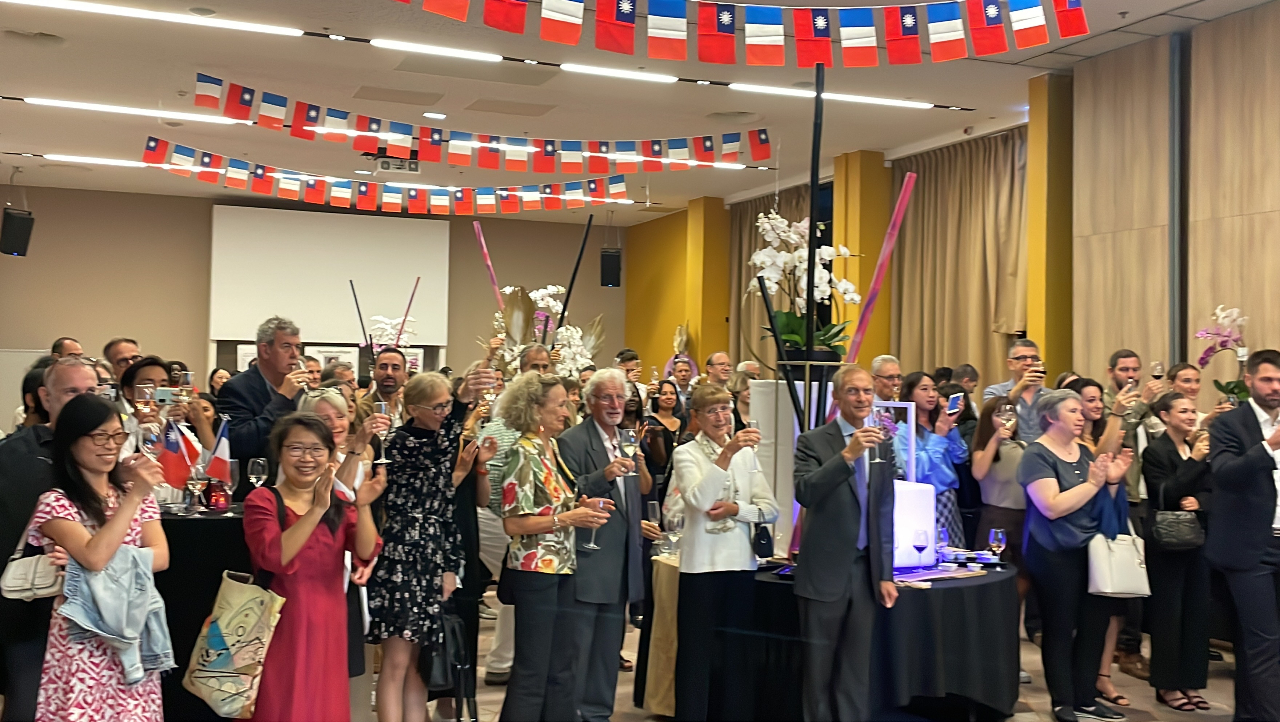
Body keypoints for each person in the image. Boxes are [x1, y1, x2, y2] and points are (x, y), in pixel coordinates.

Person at [29, 393, 171, 722]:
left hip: (131, 627)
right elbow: (95, 558)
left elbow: (161, 556)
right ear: (71, 440)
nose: (110, 445)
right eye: (99, 436)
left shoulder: (134, 494)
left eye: (117, 436)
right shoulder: (56, 503)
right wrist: (134, 497)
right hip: (83, 633)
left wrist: (83, 564)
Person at [244, 413, 385, 722]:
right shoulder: (262, 500)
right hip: (281, 624)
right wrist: (318, 508)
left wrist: (362, 505)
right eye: (296, 448)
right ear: (279, 453)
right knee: (281, 706)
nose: (306, 458)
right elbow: (275, 556)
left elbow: (365, 549)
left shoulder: (338, 500)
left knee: (324, 706)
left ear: (330, 455)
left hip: (329, 622)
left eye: (317, 449)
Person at [367, 370, 482, 722]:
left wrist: (450, 566)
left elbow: (446, 509)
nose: (444, 413)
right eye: (438, 407)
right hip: (402, 555)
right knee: (397, 661)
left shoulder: (439, 443)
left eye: (447, 405)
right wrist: (462, 402)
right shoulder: (399, 443)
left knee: (421, 662)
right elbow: (443, 444)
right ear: (414, 409)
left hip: (431, 555)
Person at [497, 372, 611, 722]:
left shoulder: (553, 449)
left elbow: (557, 503)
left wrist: (583, 506)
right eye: (560, 404)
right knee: (533, 668)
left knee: (562, 665)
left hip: (564, 565)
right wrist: (568, 518)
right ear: (535, 409)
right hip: (535, 571)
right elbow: (514, 524)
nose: (567, 411)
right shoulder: (522, 452)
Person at [1019, 389, 1133, 722]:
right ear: (1050, 416)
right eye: (1073, 411)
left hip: (1090, 547)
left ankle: (1086, 698)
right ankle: (1062, 701)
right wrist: (1095, 484)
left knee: (1094, 625)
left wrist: (1112, 482)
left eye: (1081, 411)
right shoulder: (1035, 454)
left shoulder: (1083, 450)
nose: (1082, 415)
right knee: (1060, 626)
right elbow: (1051, 506)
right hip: (1053, 550)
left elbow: (1098, 501)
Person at [793, 365, 897, 721]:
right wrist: (847, 456)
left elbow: (884, 512)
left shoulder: (882, 441)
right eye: (853, 391)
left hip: (865, 573)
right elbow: (805, 492)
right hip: (824, 573)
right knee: (818, 672)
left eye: (867, 391)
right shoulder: (813, 441)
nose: (862, 398)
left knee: (856, 673)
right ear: (837, 397)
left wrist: (885, 574)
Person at [670, 384, 779, 721]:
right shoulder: (686, 453)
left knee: (736, 654)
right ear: (697, 417)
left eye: (725, 409)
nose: (721, 417)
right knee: (696, 654)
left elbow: (770, 509)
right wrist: (726, 454)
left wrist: (736, 509)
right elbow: (700, 501)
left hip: (740, 564)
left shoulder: (747, 455)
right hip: (701, 567)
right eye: (712, 411)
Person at [0, 358, 100, 720]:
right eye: (71, 391)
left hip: (96, 610)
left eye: (90, 391)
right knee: (29, 704)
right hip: (32, 608)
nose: (82, 400)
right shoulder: (14, 455)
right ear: (45, 397)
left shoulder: (110, 452)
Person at [557, 368, 653, 722]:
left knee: (608, 648)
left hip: (623, 558)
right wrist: (605, 474)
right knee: (578, 648)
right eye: (606, 397)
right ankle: (570, 713)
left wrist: (640, 464)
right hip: (590, 557)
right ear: (590, 402)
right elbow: (567, 493)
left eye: (620, 397)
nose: (615, 404)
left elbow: (639, 492)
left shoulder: (627, 438)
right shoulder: (572, 440)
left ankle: (598, 713)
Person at [1205, 349, 1280, 720]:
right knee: (1265, 644)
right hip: (1251, 549)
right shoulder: (1229, 424)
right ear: (1249, 380)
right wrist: (1270, 446)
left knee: (1257, 646)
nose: (1276, 387)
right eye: (1267, 379)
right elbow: (1225, 473)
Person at [477, 345, 552, 686]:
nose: (540, 372)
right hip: (494, 517)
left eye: (545, 366)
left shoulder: (540, 427)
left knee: (516, 587)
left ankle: (503, 662)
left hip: (520, 519)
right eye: (535, 366)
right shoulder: (504, 427)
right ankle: (509, 661)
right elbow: (493, 484)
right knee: (519, 583)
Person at [1139, 392, 1212, 712]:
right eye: (1183, 411)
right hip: (1167, 542)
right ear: (1165, 416)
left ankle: (1191, 681)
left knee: (1197, 612)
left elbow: (1214, 489)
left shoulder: (1202, 449)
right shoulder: (1156, 451)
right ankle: (1166, 684)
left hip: (1198, 538)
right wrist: (1194, 461)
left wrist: (1202, 501)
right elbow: (1164, 493)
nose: (1191, 416)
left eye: (1193, 410)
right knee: (1168, 614)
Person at [1100, 349, 1162, 680]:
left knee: (1147, 572)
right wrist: (1142, 404)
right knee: (1131, 573)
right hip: (1124, 495)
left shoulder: (1142, 403)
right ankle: (1128, 648)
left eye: (1136, 369)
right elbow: (1116, 434)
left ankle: (1129, 644)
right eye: (1124, 369)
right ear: (1111, 371)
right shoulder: (1108, 403)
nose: (1131, 375)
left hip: (1149, 494)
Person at [971, 396, 1032, 683]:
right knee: (994, 596)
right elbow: (978, 472)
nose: (1007, 419)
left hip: (1025, 522)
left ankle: (1012, 660)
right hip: (996, 522)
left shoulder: (1024, 448)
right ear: (988, 419)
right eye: (999, 414)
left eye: (1011, 413)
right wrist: (996, 437)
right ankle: (988, 660)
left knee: (1017, 597)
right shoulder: (983, 450)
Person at [221, 317, 309, 498]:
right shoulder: (236, 388)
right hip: (255, 493)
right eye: (286, 346)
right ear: (265, 350)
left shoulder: (300, 390)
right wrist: (282, 399)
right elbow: (239, 443)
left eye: (297, 347)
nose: (295, 354)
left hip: (297, 492)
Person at [895, 372, 968, 545]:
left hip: (949, 499)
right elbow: (916, 472)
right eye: (924, 389)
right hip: (924, 501)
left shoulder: (938, 422)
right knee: (931, 552)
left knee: (954, 554)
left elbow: (960, 456)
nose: (931, 394)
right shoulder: (903, 431)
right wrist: (938, 435)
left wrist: (950, 426)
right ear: (910, 395)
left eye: (934, 389)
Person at [984, 339, 1048, 444]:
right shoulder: (994, 391)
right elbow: (991, 416)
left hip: (1042, 451)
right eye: (1022, 358)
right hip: (1009, 450)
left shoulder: (1050, 395)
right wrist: (1021, 386)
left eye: (1034, 358)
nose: (1029, 362)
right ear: (1010, 364)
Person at [1066, 378, 1128, 456]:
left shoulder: (1103, 430)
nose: (1099, 405)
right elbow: (1100, 457)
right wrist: (1116, 414)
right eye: (1091, 400)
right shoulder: (1067, 436)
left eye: (1100, 400)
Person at [354, 348, 410, 429]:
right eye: (383, 367)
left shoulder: (409, 410)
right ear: (374, 374)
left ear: (405, 376)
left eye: (395, 368)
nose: (389, 373)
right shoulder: (361, 409)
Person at [1167, 363, 1234, 429]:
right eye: (1186, 381)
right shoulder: (1164, 416)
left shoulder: (1203, 417)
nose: (1194, 387)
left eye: (1197, 381)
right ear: (1171, 384)